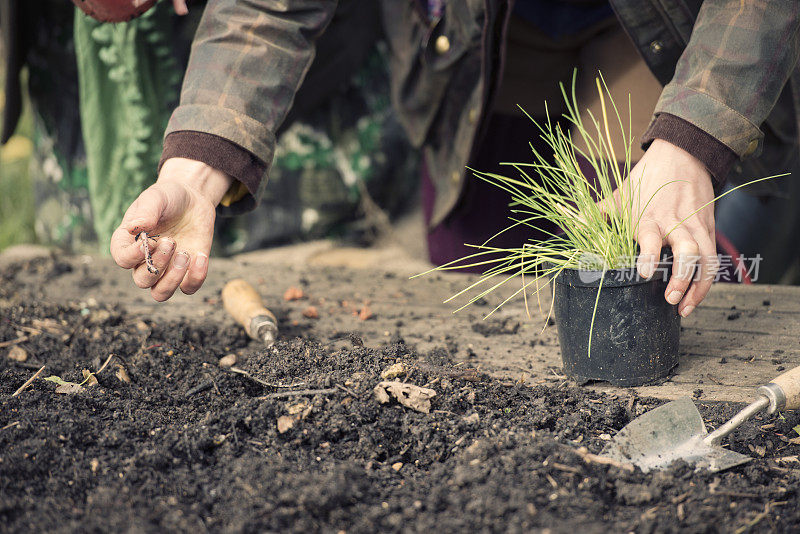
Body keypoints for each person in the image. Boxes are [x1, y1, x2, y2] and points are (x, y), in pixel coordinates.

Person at [110, 0, 800, 315]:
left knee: (639, 285)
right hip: (482, 32)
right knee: (474, 291)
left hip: (672, 25)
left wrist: (689, 141)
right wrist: (195, 173)